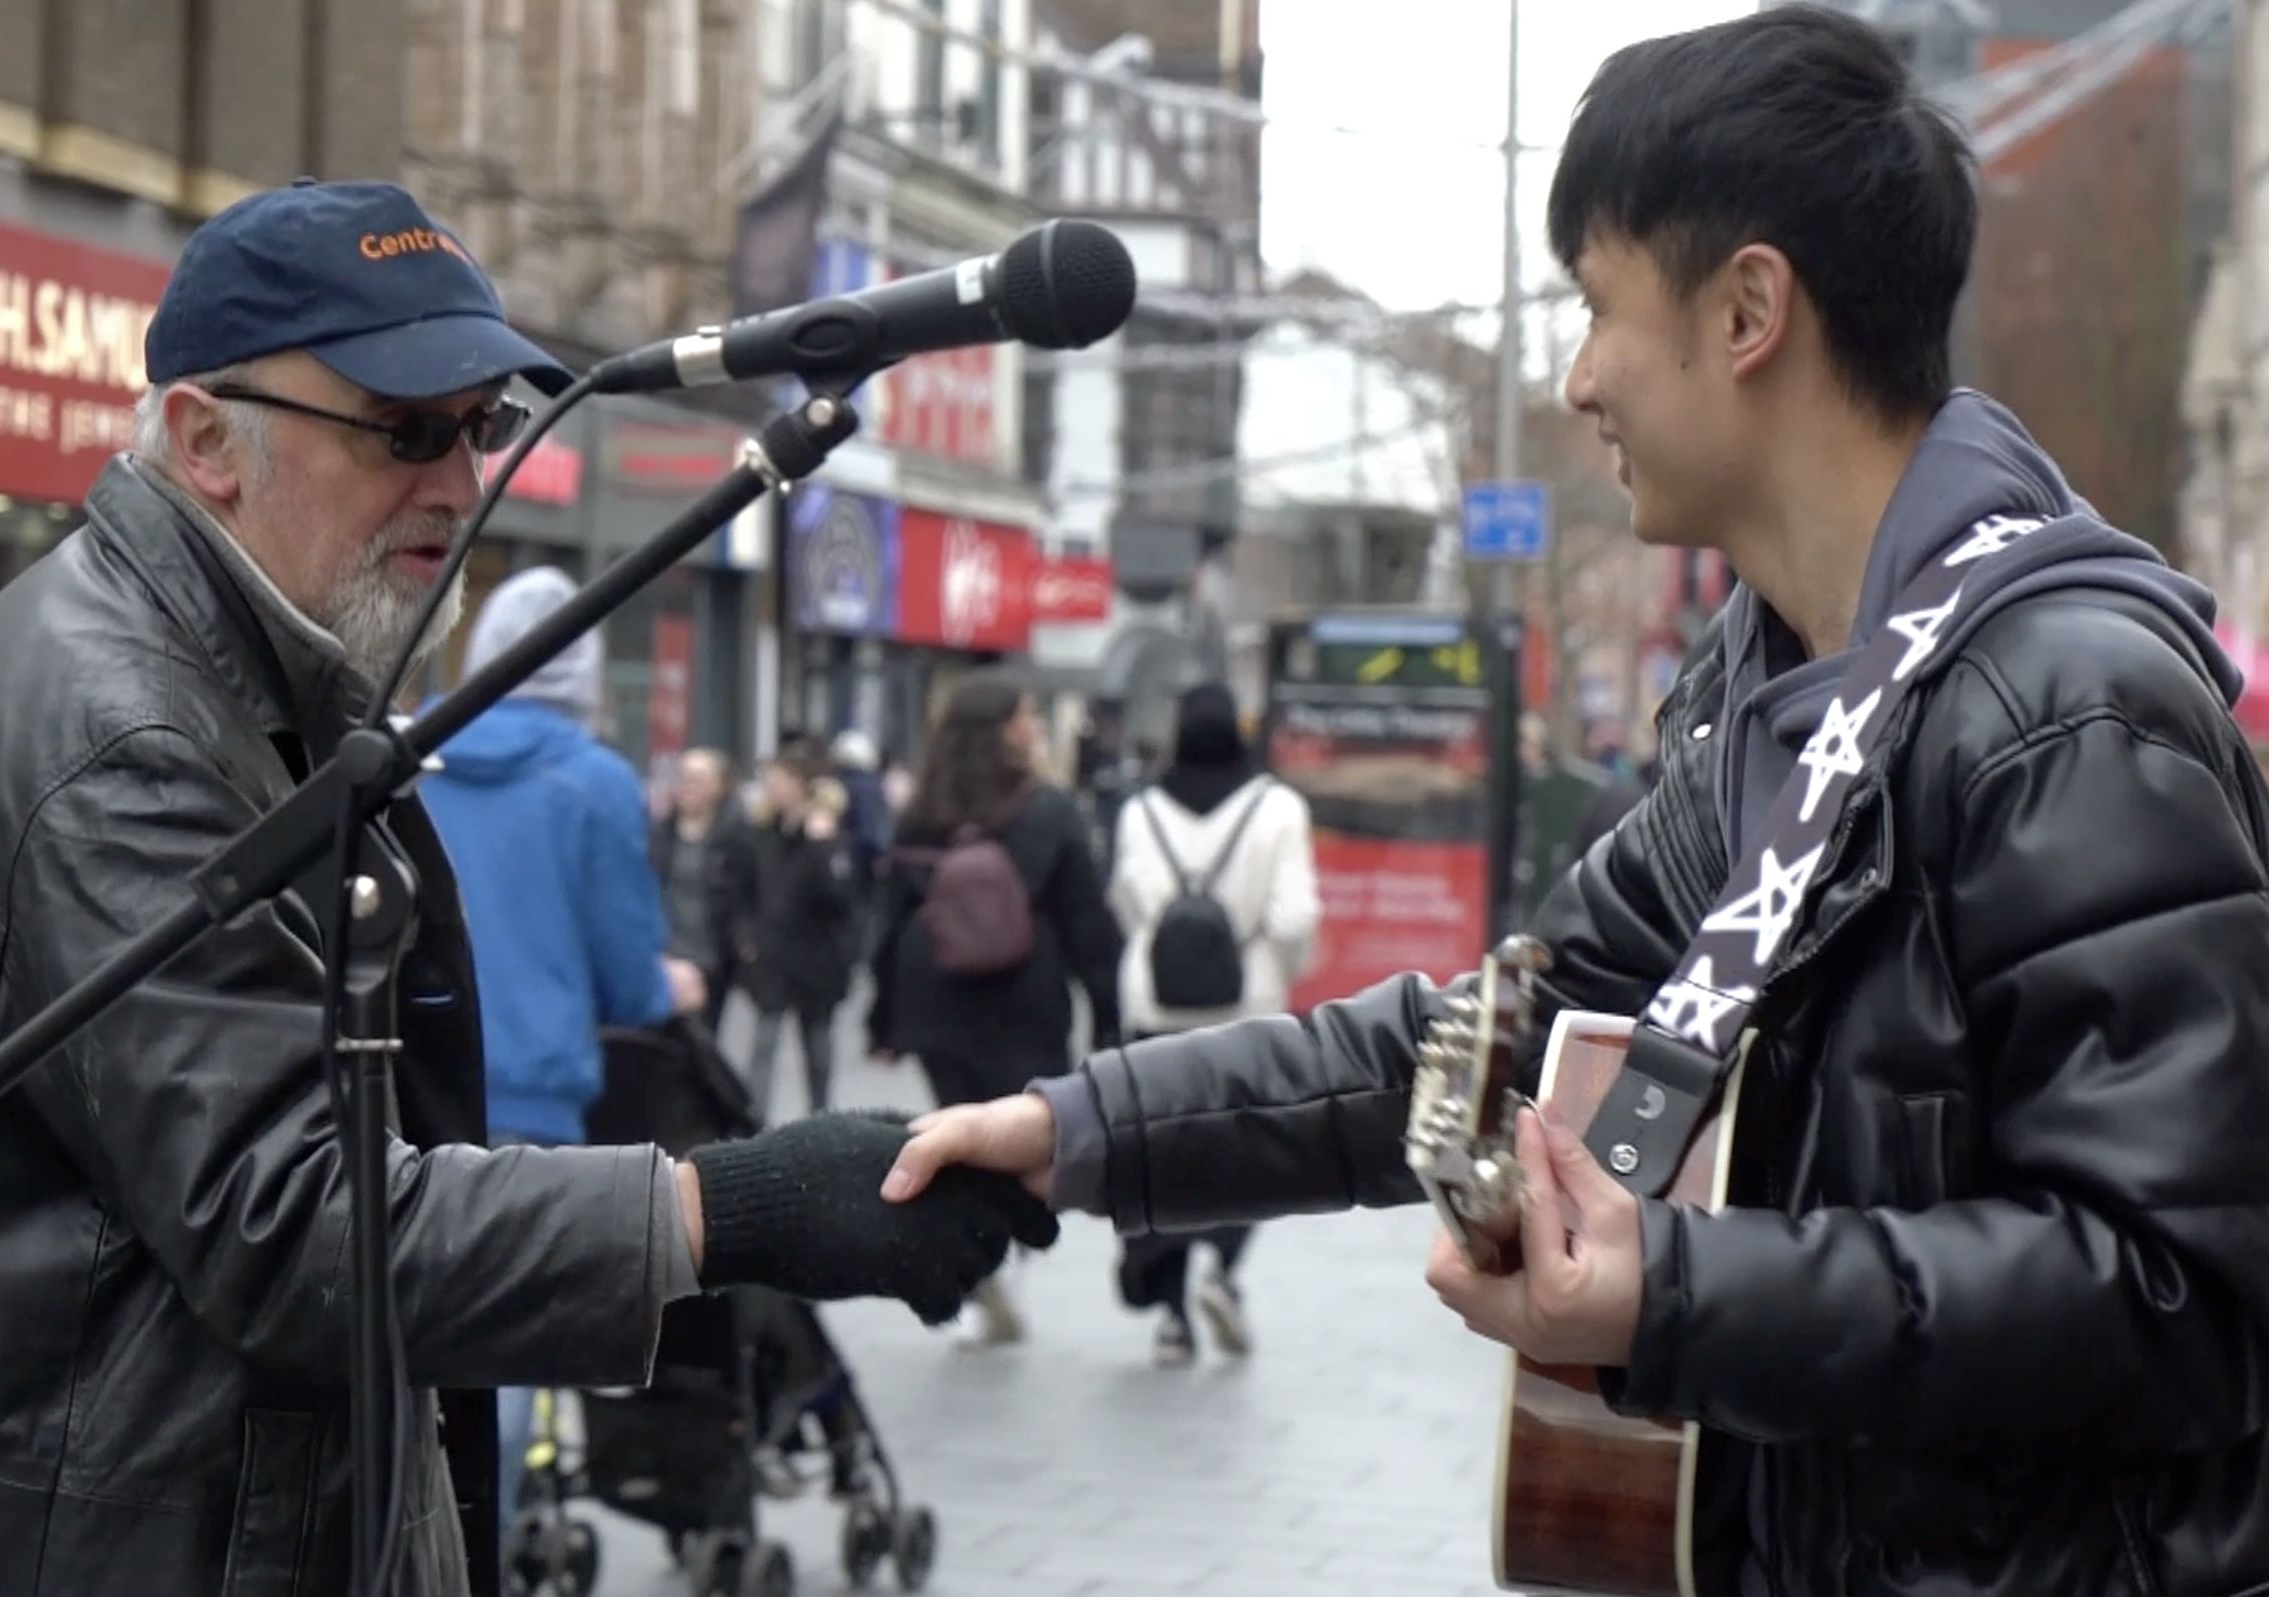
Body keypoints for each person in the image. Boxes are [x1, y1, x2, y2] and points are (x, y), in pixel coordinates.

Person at [880, 12, 2269, 1595]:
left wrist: (1667, 1290)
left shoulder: (2066, 707)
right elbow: (1485, 1043)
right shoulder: (1765, 698)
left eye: (1597, 306)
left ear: (1747, 309)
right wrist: (1082, 1129)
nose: (1576, 374)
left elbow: (2181, 1297)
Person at [0, 179, 1056, 1597]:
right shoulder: (121, 732)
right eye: (407, 431)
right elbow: (289, 1223)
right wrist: (742, 1208)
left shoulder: (243, 669)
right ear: (204, 439)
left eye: (481, 428)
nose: (460, 482)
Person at [416, 563, 703, 1530]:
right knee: (508, 1352)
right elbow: (631, 982)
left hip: (406, 1092)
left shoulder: (412, 755)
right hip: (538, 1108)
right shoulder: (594, 783)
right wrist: (679, 984)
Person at [869, 671, 1121, 1344]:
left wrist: (881, 1015)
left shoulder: (922, 809)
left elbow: (888, 918)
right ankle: (999, 1257)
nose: (1036, 725)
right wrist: (1105, 1006)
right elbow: (1086, 918)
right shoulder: (1048, 809)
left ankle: (976, 1273)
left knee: (954, 1133)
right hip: (1024, 996)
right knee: (1020, 1135)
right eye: (1027, 715)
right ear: (1003, 729)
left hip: (933, 996)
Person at [1102, 681, 1317, 1366]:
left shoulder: (1140, 810)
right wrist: (1264, 956)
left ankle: (1169, 1315)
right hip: (1247, 1011)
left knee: (1158, 1156)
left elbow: (1125, 898)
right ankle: (1222, 1268)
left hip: (1153, 1009)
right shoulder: (1277, 807)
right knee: (1249, 1151)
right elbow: (1294, 916)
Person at [734, 737, 860, 1117]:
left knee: (817, 1047)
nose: (772, 789)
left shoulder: (827, 835)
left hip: (816, 958)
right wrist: (746, 937)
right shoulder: (762, 834)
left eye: (780, 780)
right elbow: (744, 889)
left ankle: (820, 1117)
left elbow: (841, 897)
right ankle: (753, 1121)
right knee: (763, 1044)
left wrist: (822, 843)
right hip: (772, 955)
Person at [654, 746, 747, 1035]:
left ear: (719, 786)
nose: (687, 786)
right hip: (665, 953)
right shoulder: (659, 832)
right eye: (683, 777)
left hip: (711, 955)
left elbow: (749, 892)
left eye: (698, 779)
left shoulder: (736, 835)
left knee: (704, 1037)